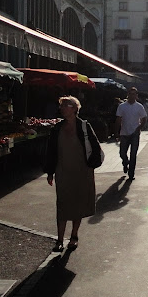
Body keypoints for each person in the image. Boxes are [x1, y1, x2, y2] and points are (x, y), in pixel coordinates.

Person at [43, 96, 99, 252]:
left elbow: (95, 146)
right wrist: (50, 171)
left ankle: (74, 236)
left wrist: (91, 165)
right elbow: (51, 151)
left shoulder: (84, 126)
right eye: (61, 105)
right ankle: (59, 239)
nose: (62, 108)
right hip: (63, 171)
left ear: (75, 108)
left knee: (78, 204)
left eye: (66, 105)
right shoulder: (57, 128)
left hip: (82, 171)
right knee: (63, 204)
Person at [114, 86, 147, 180]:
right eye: (130, 94)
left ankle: (131, 173)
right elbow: (118, 119)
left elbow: (144, 119)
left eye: (134, 94)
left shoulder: (139, 107)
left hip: (134, 134)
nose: (132, 96)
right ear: (127, 95)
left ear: (136, 96)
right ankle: (125, 162)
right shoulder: (122, 106)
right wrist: (116, 132)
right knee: (122, 153)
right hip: (124, 133)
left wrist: (139, 127)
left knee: (133, 154)